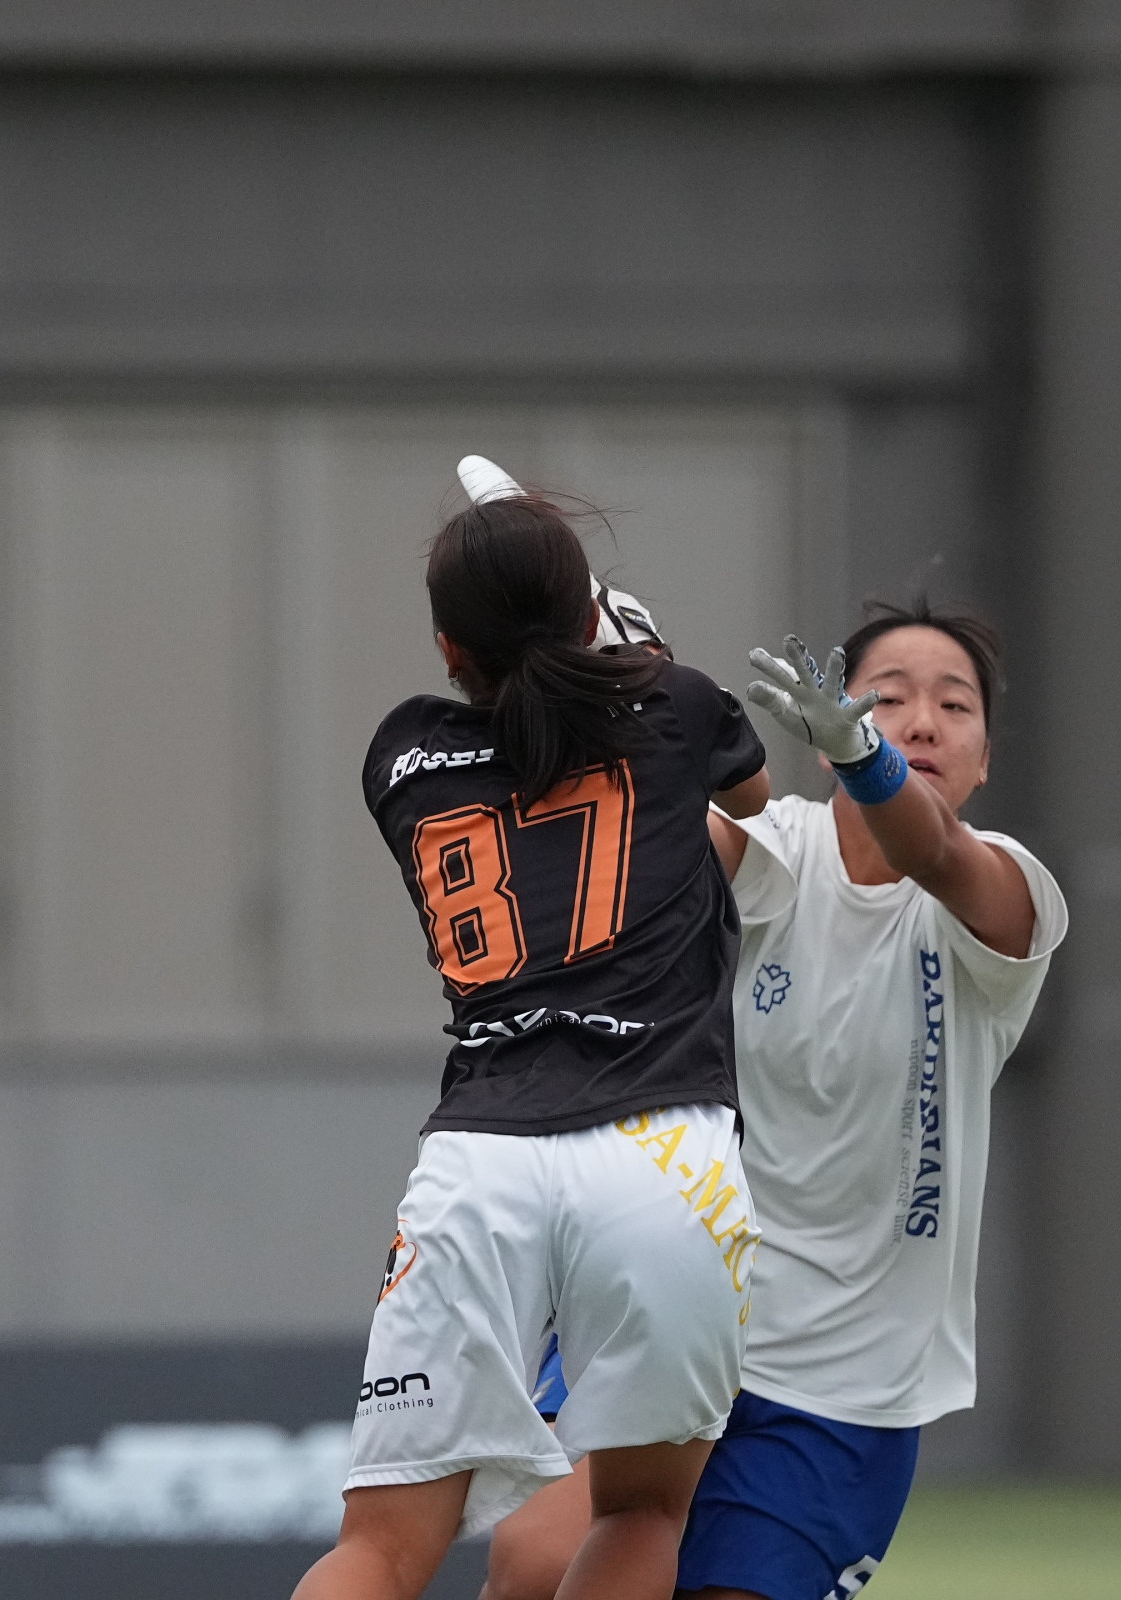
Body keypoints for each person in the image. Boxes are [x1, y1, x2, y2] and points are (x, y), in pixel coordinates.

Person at [483, 600, 1067, 1600]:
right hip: (676, 1307)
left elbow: (932, 854)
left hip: (846, 1388)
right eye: (888, 697)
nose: (921, 721)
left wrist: (866, 757)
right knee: (533, 1564)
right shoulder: (775, 848)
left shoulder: (1006, 889)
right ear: (828, 715)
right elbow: (651, 843)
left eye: (953, 705)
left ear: (984, 757)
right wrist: (621, 699)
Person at [292, 473, 771, 1600]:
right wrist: (633, 651)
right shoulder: (678, 706)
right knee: (643, 1509)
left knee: (378, 1550)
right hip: (664, 1155)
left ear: (450, 650)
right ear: (588, 614)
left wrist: (597, 651)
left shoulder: (402, 754)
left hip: (481, 1159)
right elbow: (747, 806)